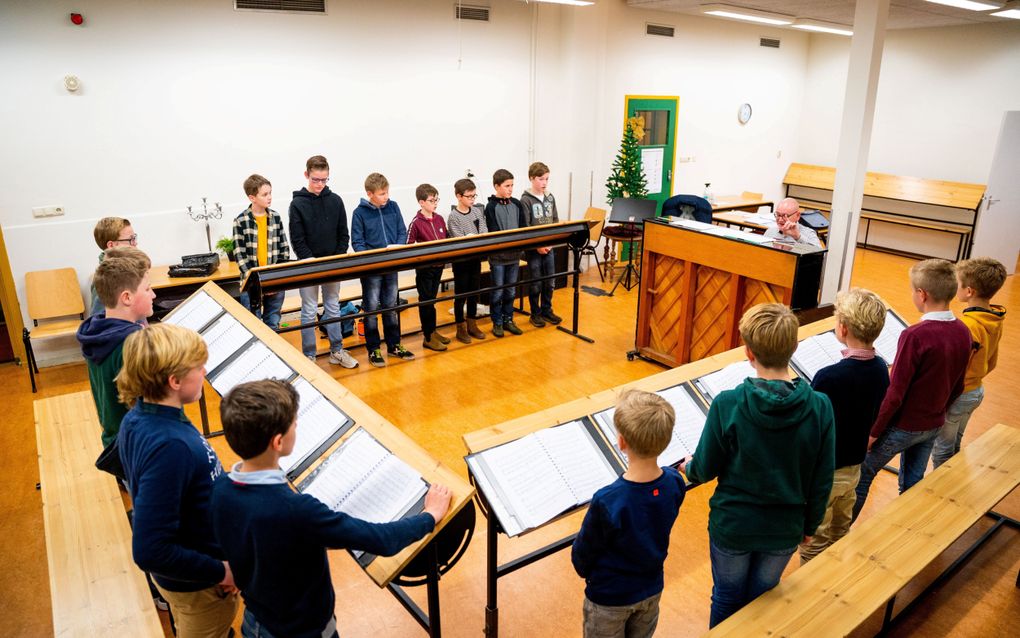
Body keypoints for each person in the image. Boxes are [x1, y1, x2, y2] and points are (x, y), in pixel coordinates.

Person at [211, 379, 452, 638]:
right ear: (278, 442)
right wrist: (430, 515)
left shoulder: (221, 487)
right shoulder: (296, 511)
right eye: (294, 423)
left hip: (256, 621)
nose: (296, 426)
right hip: (302, 630)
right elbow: (381, 540)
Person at [683, 303, 835, 627]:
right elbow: (822, 478)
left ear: (748, 353)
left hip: (734, 525)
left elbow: (705, 468)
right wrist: (810, 526)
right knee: (763, 601)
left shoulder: (727, 403)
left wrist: (689, 468)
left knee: (726, 597)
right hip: (784, 528)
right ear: (794, 347)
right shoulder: (821, 407)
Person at [116, 323, 238, 638]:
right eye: (199, 366)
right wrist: (221, 571)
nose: (205, 370)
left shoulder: (140, 415)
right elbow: (150, 550)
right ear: (174, 381)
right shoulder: (170, 446)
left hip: (194, 576)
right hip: (201, 590)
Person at [852, 259, 971, 521]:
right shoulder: (963, 331)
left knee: (861, 476)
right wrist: (938, 413)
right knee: (913, 482)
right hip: (934, 423)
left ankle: (839, 538)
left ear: (922, 295)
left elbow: (895, 393)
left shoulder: (915, 335)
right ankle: (908, 528)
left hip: (903, 427)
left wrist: (873, 433)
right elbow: (959, 384)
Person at [571, 389, 686, 638]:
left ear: (621, 443)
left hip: (609, 598)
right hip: (651, 589)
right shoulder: (675, 482)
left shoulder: (608, 499)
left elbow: (582, 557)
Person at [798, 288, 890, 564]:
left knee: (814, 539)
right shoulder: (880, 369)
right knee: (840, 531)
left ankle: (812, 595)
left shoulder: (829, 377)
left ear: (842, 328)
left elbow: (811, 425)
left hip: (826, 471)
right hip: (854, 467)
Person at [931, 257, 1007, 468]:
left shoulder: (967, 326)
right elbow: (991, 362)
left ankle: (941, 489)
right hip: (975, 391)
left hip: (959, 394)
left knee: (942, 450)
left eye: (958, 283)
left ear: (969, 291)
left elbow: (955, 369)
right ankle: (954, 478)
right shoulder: (994, 317)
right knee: (955, 442)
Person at [76, 246, 155, 447]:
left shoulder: (98, 331)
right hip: (139, 446)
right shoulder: (132, 343)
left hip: (116, 440)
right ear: (126, 297)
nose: (153, 294)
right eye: (147, 289)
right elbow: (152, 407)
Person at [289, 155, 358, 368]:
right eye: (315, 179)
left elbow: (343, 234)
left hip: (332, 263)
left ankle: (336, 350)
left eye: (324, 180)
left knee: (333, 307)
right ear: (306, 175)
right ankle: (309, 355)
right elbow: (297, 239)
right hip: (309, 265)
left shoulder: (335, 200)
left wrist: (335, 259)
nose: (320, 184)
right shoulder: (297, 203)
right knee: (309, 309)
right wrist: (311, 261)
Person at [351, 172, 415, 367]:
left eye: (387, 192)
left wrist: (397, 248)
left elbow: (401, 231)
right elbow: (357, 241)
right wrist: (370, 258)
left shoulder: (393, 206)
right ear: (370, 194)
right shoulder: (359, 213)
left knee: (391, 308)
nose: (386, 197)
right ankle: (374, 349)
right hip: (372, 269)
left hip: (392, 264)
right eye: (381, 194)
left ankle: (394, 345)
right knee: (370, 309)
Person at [233, 174, 290, 329]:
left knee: (273, 323)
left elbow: (284, 249)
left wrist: (275, 279)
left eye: (270, 192)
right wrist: (258, 283)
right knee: (253, 326)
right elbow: (240, 256)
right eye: (265, 194)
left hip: (275, 280)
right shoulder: (240, 221)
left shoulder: (275, 217)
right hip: (252, 284)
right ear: (252, 197)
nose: (269, 197)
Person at [406, 183, 451, 351]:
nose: (435, 203)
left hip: (439, 265)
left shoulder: (439, 218)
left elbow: (445, 237)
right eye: (432, 200)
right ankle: (427, 336)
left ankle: (433, 331)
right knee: (426, 302)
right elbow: (408, 245)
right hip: (425, 268)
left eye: (436, 199)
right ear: (421, 202)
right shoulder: (416, 223)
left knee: (432, 300)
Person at [483, 169, 528, 338]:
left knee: (510, 290)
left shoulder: (516, 204)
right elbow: (494, 231)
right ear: (496, 186)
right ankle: (497, 322)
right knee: (498, 290)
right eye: (507, 186)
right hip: (498, 258)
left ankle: (509, 319)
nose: (510, 189)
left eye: (512, 185)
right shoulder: (491, 206)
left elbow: (523, 228)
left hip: (514, 256)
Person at [519, 162, 562, 328]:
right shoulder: (525, 200)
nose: (544, 183)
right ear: (531, 178)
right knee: (536, 281)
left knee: (549, 281)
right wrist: (537, 246)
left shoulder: (550, 197)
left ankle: (547, 310)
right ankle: (535, 313)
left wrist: (551, 243)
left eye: (546, 179)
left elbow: (555, 221)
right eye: (540, 179)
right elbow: (526, 227)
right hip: (534, 249)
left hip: (549, 247)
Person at [446, 178, 488, 343]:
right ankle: (460, 328)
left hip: (475, 259)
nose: (472, 199)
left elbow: (484, 230)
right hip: (461, 262)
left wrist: (477, 238)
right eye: (469, 196)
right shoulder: (453, 217)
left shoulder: (477, 212)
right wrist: (471, 238)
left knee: (474, 293)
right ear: (459, 196)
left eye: (474, 196)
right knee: (461, 295)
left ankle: (472, 324)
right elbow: (459, 239)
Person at [89, 217, 138, 316]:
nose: (135, 243)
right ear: (111, 245)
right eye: (131, 239)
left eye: (135, 238)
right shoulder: (106, 279)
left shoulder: (127, 270)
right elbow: (97, 320)